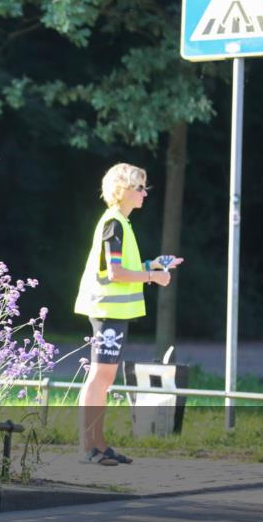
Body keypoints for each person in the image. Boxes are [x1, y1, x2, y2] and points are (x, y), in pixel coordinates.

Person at [74, 163, 183, 465]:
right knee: (99, 378)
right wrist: (153, 278)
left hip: (113, 312)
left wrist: (153, 266)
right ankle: (89, 448)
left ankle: (98, 445)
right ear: (122, 191)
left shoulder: (121, 222)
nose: (144, 193)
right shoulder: (115, 223)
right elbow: (117, 272)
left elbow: (123, 268)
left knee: (103, 379)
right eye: (139, 188)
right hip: (107, 311)